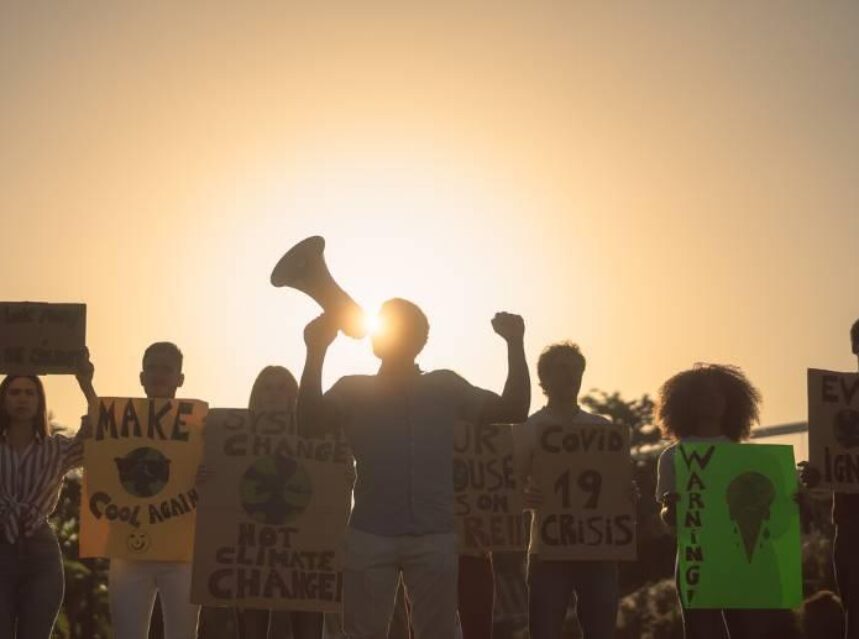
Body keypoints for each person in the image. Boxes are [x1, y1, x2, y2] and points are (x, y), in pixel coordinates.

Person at [297, 298, 530, 639]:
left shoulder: (445, 386)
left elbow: (514, 409)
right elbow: (308, 424)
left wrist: (515, 343)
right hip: (371, 534)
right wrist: (315, 351)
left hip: (433, 535)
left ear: (420, 340)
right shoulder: (352, 389)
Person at [517, 342, 624, 639]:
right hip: (548, 550)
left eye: (575, 369)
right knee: (545, 630)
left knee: (601, 630)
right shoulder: (528, 428)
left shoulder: (602, 427)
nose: (570, 376)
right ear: (545, 378)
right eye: (562, 369)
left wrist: (626, 497)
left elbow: (616, 486)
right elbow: (507, 486)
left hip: (598, 548)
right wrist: (523, 498)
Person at [654, 363, 763, 639]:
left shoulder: (746, 457)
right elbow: (668, 519)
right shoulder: (672, 456)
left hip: (740, 557)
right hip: (695, 557)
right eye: (704, 394)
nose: (713, 400)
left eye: (719, 394)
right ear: (688, 403)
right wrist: (670, 509)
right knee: (699, 631)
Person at [103, 342, 201, 639]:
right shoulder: (114, 423)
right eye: (152, 368)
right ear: (141, 376)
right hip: (127, 551)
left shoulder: (200, 427)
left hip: (183, 551)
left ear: (179, 378)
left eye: (166, 369)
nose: (158, 375)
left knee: (183, 635)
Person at [0, 352, 96, 638]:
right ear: (3, 399)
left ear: (40, 401)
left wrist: (87, 385)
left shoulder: (57, 448)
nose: (22, 399)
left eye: (30, 393)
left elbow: (99, 437)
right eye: (15, 392)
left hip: (41, 550)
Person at [233, 365, 326, 639]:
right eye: (267, 388)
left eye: (282, 387)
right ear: (256, 396)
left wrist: (346, 476)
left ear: (295, 396)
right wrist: (207, 476)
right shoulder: (232, 438)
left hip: (303, 546)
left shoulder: (318, 437)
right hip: (251, 546)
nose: (274, 395)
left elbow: (328, 485)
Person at [799, 317, 859, 639]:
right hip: (852, 524)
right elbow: (832, 466)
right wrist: (818, 474)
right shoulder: (834, 404)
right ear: (854, 348)